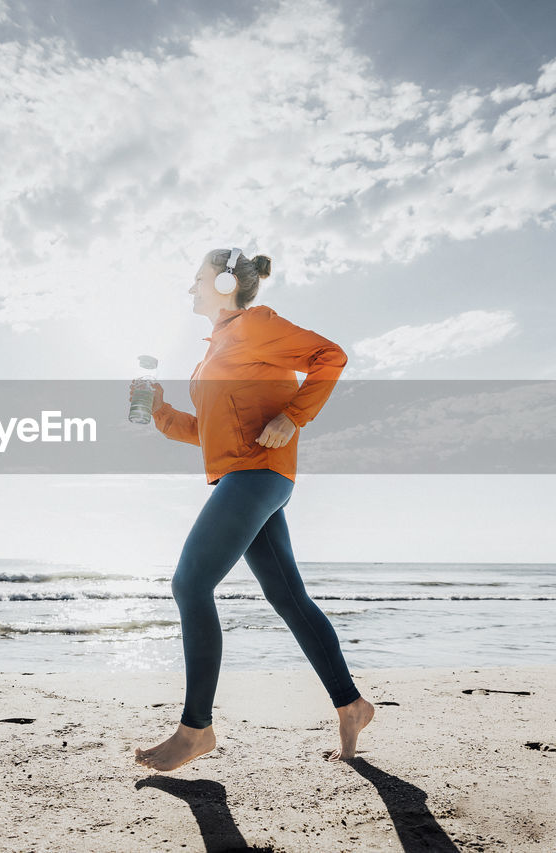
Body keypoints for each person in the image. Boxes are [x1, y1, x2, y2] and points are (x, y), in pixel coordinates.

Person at [129, 248, 374, 772]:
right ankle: (351, 704)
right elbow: (206, 432)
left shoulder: (256, 325)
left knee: (190, 584)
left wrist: (294, 415)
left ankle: (196, 730)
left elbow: (330, 356)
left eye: (196, 280)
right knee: (288, 597)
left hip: (257, 475)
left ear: (222, 283)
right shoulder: (212, 352)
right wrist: (158, 410)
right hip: (244, 476)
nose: (189, 289)